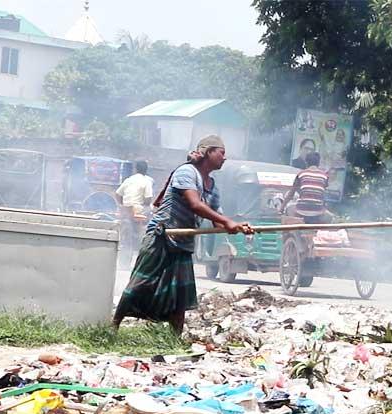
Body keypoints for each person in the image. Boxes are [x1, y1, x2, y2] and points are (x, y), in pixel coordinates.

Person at [113, 136, 253, 334]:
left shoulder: (212, 186)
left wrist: (236, 226)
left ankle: (175, 338)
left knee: (180, 292)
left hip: (183, 241)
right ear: (208, 152)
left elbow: (217, 220)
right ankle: (113, 325)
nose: (225, 157)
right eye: (222, 152)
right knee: (141, 283)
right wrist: (227, 222)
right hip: (162, 234)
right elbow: (194, 204)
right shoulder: (186, 172)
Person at [115, 160, 156, 266]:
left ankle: (124, 263)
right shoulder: (147, 181)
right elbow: (148, 199)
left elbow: (118, 194)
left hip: (126, 211)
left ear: (135, 169)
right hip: (138, 211)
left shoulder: (128, 180)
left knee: (125, 238)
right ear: (146, 170)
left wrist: (122, 205)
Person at [282, 152, 332, 222]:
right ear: (318, 163)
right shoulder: (325, 176)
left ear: (306, 163)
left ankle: (292, 231)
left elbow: (291, 194)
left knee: (289, 208)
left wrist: (281, 208)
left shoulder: (301, 174)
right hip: (318, 211)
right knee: (330, 216)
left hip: (300, 210)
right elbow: (322, 194)